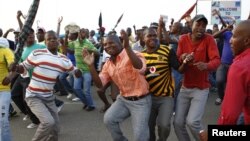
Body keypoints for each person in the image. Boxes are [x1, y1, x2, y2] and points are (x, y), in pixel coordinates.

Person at [5, 30, 81, 141]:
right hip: (34, 96)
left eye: (54, 38)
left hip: (49, 98)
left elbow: (75, 72)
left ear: (58, 41)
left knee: (55, 129)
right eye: (49, 39)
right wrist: (16, 67)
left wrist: (82, 70)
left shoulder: (63, 59)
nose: (52, 41)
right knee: (48, 123)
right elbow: (23, 67)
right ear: (45, 42)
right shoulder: (37, 54)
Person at [82, 30, 151, 141]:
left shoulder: (133, 54)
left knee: (140, 136)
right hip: (123, 100)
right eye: (105, 44)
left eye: (111, 43)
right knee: (109, 120)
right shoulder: (108, 64)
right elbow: (100, 84)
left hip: (140, 102)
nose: (108, 46)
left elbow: (140, 68)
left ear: (120, 43)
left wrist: (128, 48)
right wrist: (91, 66)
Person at [173, 14, 220, 141]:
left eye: (204, 25)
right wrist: (183, 57)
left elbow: (216, 60)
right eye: (198, 24)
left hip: (201, 88)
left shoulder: (209, 39)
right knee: (177, 123)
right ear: (191, 25)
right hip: (185, 87)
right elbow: (178, 59)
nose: (201, 28)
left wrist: (206, 65)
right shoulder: (183, 39)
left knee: (192, 121)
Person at [141, 27, 182, 141]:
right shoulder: (140, 56)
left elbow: (178, 68)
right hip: (148, 98)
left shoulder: (167, 51)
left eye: (154, 35)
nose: (153, 38)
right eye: (149, 36)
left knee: (164, 125)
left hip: (166, 96)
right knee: (148, 126)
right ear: (143, 38)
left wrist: (185, 62)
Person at [218, 20, 250, 125]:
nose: (231, 41)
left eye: (235, 36)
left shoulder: (240, 67)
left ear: (246, 41)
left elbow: (229, 117)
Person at [213, 24, 234, 105]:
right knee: (219, 81)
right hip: (223, 63)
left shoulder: (241, 35)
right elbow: (214, 36)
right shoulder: (228, 33)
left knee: (231, 85)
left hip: (235, 65)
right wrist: (225, 29)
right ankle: (221, 97)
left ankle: (229, 100)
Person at [0, 37, 14, 141]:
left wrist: (9, 75)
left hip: (3, 90)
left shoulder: (5, 50)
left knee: (3, 120)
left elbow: (12, 63)